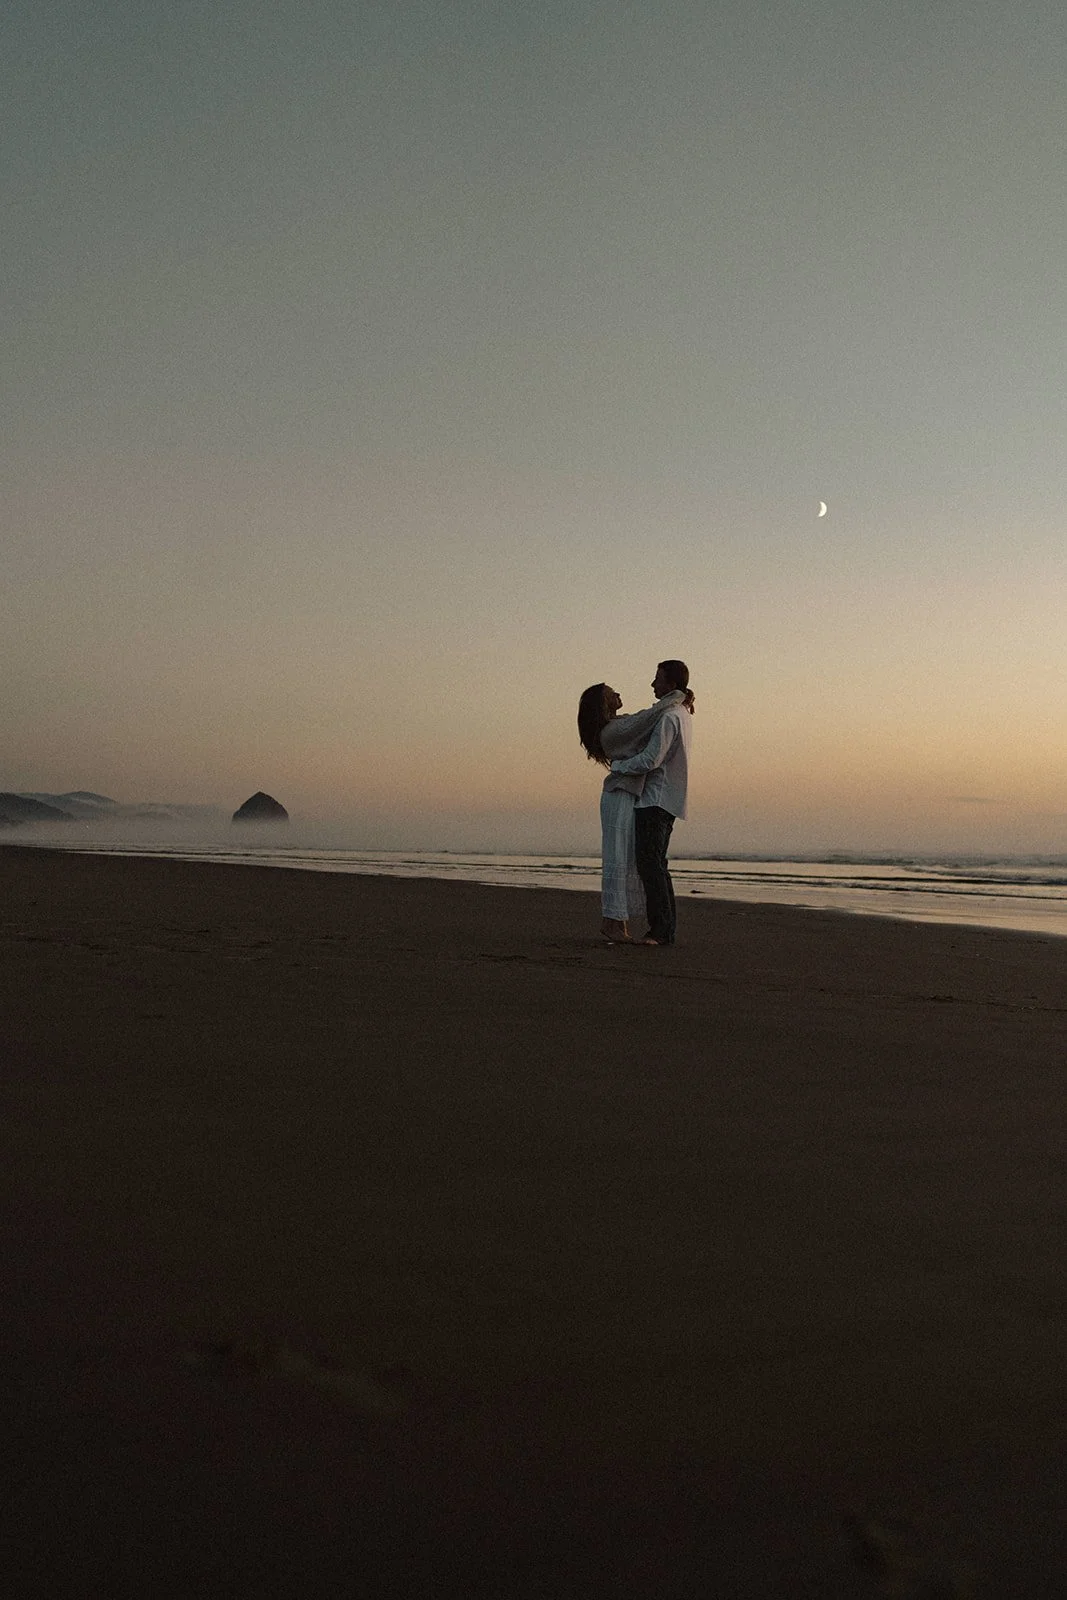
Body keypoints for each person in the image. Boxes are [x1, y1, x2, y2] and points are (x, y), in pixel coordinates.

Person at [577, 677, 692, 943]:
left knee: (626, 859)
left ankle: (619, 923)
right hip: (619, 795)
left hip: (628, 795)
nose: (618, 693)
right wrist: (680, 695)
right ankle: (613, 924)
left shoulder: (619, 724)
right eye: (611, 693)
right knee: (618, 858)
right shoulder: (613, 731)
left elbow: (644, 718)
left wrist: (681, 698)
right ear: (603, 704)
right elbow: (648, 718)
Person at [606, 660, 694, 946]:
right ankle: (663, 929)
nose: (652, 684)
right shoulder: (680, 713)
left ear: (670, 684)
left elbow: (651, 759)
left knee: (651, 865)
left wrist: (618, 766)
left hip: (656, 799)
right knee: (655, 864)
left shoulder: (670, 717)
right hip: (665, 798)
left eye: (657, 679)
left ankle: (661, 931)